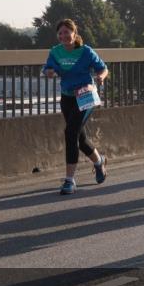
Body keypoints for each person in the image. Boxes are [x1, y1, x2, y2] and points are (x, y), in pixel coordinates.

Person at [42, 18, 109, 195]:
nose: (64, 36)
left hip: (85, 97)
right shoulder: (55, 52)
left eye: (67, 32)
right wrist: (49, 72)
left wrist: (101, 76)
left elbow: (103, 68)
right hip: (67, 97)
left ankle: (69, 180)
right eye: (60, 33)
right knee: (79, 138)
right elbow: (48, 69)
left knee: (70, 132)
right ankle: (99, 161)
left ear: (74, 33)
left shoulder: (86, 51)